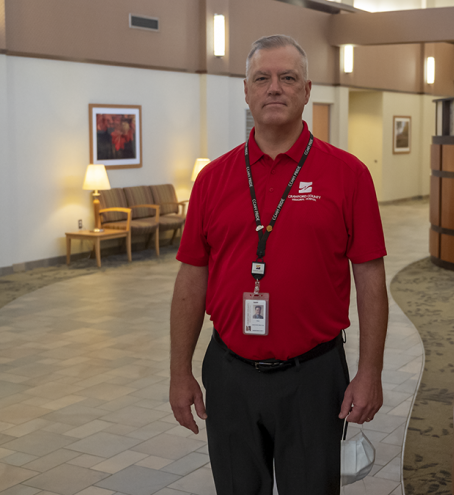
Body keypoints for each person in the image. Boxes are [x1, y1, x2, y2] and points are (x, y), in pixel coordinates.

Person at [169, 34, 388, 495]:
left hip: (313, 376)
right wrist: (179, 370)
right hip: (228, 373)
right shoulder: (212, 180)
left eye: (288, 78)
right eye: (261, 78)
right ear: (246, 92)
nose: (274, 88)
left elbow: (369, 276)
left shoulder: (348, 175)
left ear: (307, 91)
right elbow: (192, 276)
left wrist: (370, 372)